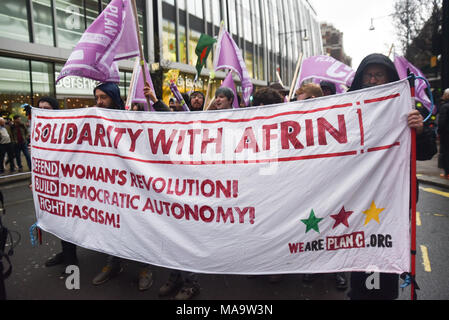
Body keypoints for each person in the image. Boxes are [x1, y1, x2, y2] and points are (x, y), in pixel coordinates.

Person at [347, 53, 436, 300]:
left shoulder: (406, 107)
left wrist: (419, 130)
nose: (373, 80)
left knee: (385, 251)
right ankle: (358, 293)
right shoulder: (349, 107)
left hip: (393, 198)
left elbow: (428, 152)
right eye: (369, 75)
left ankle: (384, 294)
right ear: (361, 78)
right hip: (359, 196)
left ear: (389, 77)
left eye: (379, 75)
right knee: (360, 249)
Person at [91, 83, 157, 291]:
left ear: (113, 97)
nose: (100, 102)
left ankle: (145, 268)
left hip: (136, 186)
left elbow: (160, 130)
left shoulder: (131, 119)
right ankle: (114, 262)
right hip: (110, 185)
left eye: (104, 97)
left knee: (139, 226)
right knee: (114, 226)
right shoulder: (94, 120)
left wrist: (155, 101)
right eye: (97, 98)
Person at [36, 97, 80, 273]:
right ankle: (65, 254)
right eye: (40, 108)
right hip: (50, 184)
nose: (43, 111)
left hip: (66, 184)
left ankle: (71, 261)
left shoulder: (65, 127)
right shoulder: (40, 129)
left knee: (67, 223)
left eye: (47, 108)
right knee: (56, 222)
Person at [438, 88, 449, 179]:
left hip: (446, 135)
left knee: (446, 152)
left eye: (444, 94)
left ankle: (447, 173)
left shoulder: (445, 107)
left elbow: (442, 122)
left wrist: (439, 132)